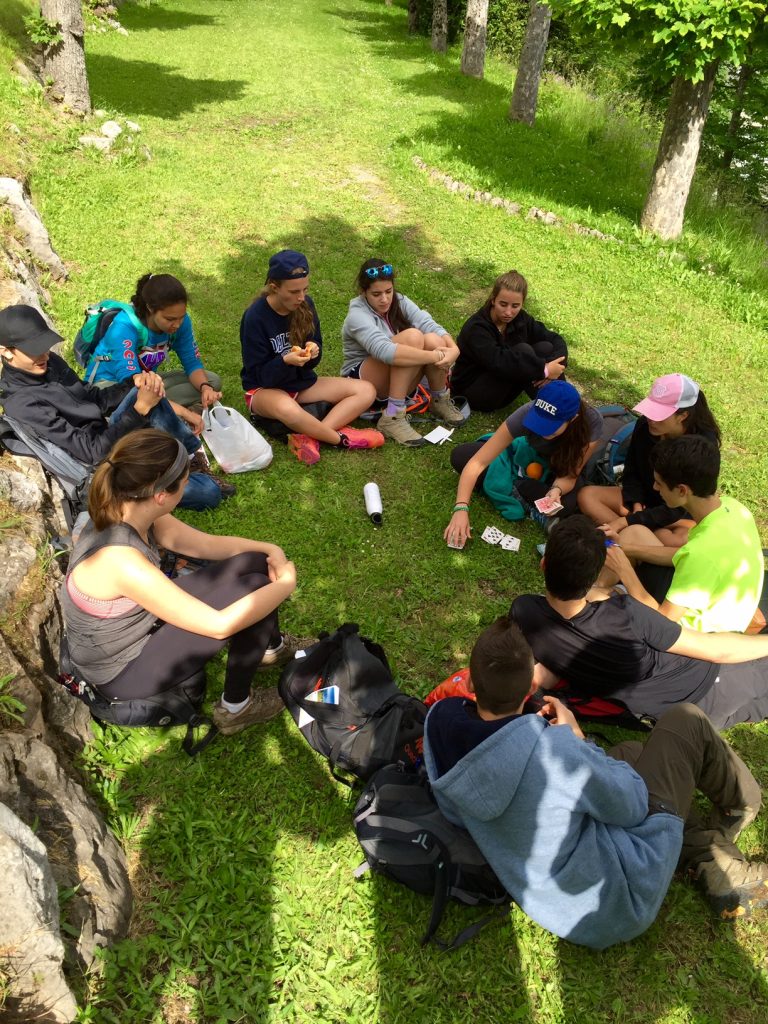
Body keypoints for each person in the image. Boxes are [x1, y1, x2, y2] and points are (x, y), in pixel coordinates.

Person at [423, 616, 768, 949]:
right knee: (685, 719)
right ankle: (742, 804)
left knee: (632, 753)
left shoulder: (441, 726)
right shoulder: (554, 751)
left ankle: (710, 862)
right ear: (532, 686)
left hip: (560, 907)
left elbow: (457, 809)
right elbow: (632, 806)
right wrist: (575, 740)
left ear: (470, 683)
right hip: (623, 897)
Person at [59, 429, 307, 736]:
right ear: (161, 494)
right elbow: (219, 625)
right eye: (185, 481)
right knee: (257, 588)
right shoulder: (121, 560)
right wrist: (284, 587)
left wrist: (268, 550)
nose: (188, 485)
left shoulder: (130, 508)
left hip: (137, 628)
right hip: (121, 670)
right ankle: (236, 708)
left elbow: (204, 545)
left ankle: (272, 649)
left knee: (256, 565)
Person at [510, 515, 768, 729]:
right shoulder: (628, 615)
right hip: (710, 684)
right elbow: (717, 650)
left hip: (676, 717)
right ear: (593, 577)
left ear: (544, 565)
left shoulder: (524, 612)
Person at [0, 304, 230, 510]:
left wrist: (134, 382)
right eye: (33, 350)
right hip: (103, 469)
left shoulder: (49, 364)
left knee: (147, 388)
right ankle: (179, 472)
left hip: (109, 434)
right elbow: (91, 454)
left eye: (45, 346)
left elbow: (94, 398)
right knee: (207, 494)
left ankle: (190, 462)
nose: (43, 355)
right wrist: (138, 410)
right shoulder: (22, 403)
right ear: (5, 351)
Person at [601, 436, 764, 633]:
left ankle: (592, 593)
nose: (655, 488)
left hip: (698, 637)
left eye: (659, 483)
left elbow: (663, 624)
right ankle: (597, 588)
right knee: (634, 533)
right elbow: (683, 555)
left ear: (682, 490)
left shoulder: (701, 554)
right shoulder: (733, 508)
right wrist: (623, 550)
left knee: (601, 602)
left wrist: (624, 570)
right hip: (715, 600)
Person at [240, 250, 383, 466]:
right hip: (263, 391)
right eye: (294, 291)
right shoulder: (255, 317)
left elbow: (313, 358)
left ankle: (311, 437)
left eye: (305, 289)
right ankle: (340, 439)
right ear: (274, 287)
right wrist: (284, 361)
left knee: (366, 390)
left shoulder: (306, 304)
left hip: (299, 383)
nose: (301, 297)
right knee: (287, 408)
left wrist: (313, 351)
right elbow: (258, 376)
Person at [444, 380, 601, 548]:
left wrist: (556, 490)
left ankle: (517, 486)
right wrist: (461, 508)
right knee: (461, 456)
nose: (542, 430)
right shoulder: (525, 413)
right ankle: (521, 488)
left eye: (551, 427)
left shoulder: (592, 423)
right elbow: (478, 462)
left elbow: (570, 475)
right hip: (525, 456)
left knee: (568, 504)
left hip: (558, 469)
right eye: (539, 421)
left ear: (573, 419)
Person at [578, 373, 722, 548]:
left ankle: (633, 539)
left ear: (682, 416)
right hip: (644, 501)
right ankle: (639, 539)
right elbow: (632, 471)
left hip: (677, 510)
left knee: (676, 540)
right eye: (651, 410)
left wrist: (630, 520)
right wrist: (636, 502)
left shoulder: (702, 447)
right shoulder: (645, 426)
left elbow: (684, 503)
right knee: (587, 496)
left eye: (659, 414)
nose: (651, 419)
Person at [341, 258, 464, 447]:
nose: (384, 299)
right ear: (363, 292)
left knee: (432, 339)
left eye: (388, 291)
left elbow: (428, 323)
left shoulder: (399, 301)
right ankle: (392, 415)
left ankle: (439, 399)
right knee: (413, 338)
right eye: (376, 294)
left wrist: (453, 349)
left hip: (394, 380)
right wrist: (435, 356)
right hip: (363, 383)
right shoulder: (357, 315)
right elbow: (385, 351)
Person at [83, 273, 223, 418]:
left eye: (181, 317)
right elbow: (132, 384)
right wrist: (185, 413)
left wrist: (205, 388)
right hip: (111, 386)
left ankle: (162, 412)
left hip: (148, 384)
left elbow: (192, 362)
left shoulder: (181, 323)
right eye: (170, 319)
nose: (177, 324)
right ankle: (171, 413)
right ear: (150, 308)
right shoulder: (125, 325)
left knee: (212, 381)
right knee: (132, 407)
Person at [450, 270, 567, 413]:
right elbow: (499, 361)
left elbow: (555, 339)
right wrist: (545, 370)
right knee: (524, 351)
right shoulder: (477, 328)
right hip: (474, 393)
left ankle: (565, 401)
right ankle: (556, 410)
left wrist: (555, 366)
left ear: (522, 303)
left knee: (546, 347)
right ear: (493, 300)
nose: (508, 312)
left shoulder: (521, 319)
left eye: (515, 306)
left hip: (504, 384)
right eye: (503, 304)